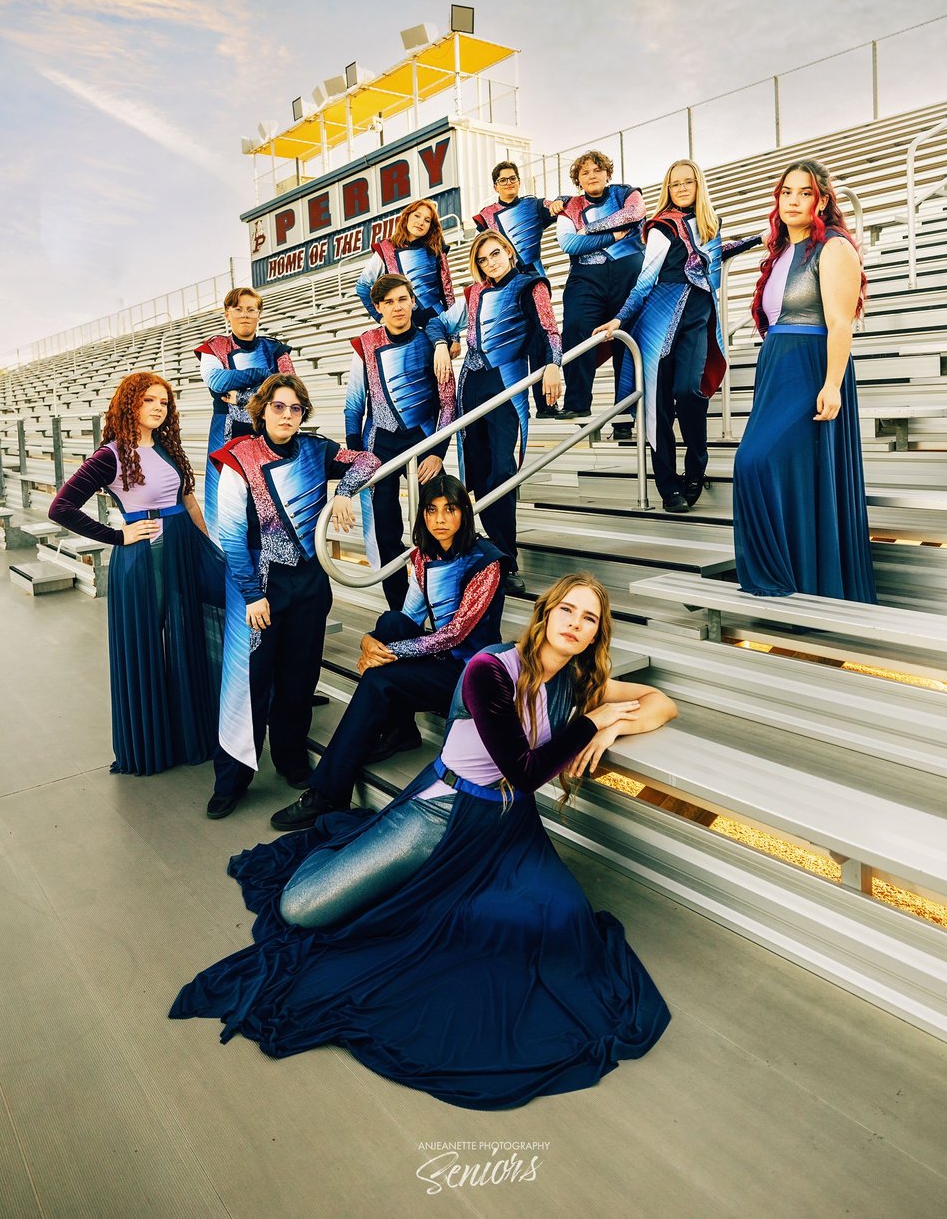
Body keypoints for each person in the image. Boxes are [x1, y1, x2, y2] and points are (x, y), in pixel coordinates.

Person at [170, 573, 675, 1109]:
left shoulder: (577, 680)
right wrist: (589, 722)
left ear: (598, 634)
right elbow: (524, 771)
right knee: (300, 909)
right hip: (441, 814)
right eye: (568, 611)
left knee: (567, 926)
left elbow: (661, 701)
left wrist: (609, 729)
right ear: (546, 614)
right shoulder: (491, 670)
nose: (576, 624)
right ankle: (353, 858)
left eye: (589, 619)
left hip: (506, 832)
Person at [268, 473, 506, 830]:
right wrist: (370, 640)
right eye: (431, 510)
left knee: (380, 677)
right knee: (393, 621)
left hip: (473, 672)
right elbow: (410, 616)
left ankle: (328, 792)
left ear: (464, 514)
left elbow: (455, 635)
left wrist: (388, 654)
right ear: (423, 515)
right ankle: (401, 731)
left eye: (450, 510)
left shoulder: (486, 561)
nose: (440, 519)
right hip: (442, 659)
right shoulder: (423, 556)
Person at [206, 374, 380, 820]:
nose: (286, 416)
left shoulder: (316, 449)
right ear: (261, 410)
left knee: (300, 678)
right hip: (262, 587)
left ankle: (291, 759)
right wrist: (250, 595)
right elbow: (229, 534)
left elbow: (367, 460)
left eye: (295, 409)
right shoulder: (237, 458)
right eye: (278, 407)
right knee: (251, 685)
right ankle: (233, 779)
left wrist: (343, 491)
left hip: (309, 584)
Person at [49, 372, 224, 776]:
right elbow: (60, 508)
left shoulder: (167, 447)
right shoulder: (110, 454)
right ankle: (151, 747)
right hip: (144, 558)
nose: (159, 407)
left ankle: (189, 735)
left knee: (186, 641)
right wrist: (117, 535)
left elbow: (190, 503)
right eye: (149, 400)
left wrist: (206, 546)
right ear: (131, 404)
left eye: (164, 401)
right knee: (147, 650)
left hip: (183, 551)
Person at [733, 160, 877, 602]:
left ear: (824, 200)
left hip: (811, 365)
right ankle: (793, 579)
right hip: (775, 364)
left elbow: (840, 323)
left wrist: (832, 383)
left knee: (754, 463)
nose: (793, 200)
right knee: (783, 469)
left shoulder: (834, 248)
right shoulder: (778, 253)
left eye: (805, 193)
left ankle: (785, 575)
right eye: (786, 192)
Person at [595, 160, 762, 512]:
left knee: (690, 391)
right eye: (675, 184)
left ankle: (695, 469)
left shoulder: (710, 225)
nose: (682, 189)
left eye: (688, 182)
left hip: (698, 317)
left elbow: (711, 257)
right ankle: (667, 486)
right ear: (668, 190)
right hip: (658, 319)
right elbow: (645, 280)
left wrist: (757, 239)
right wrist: (620, 318)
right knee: (657, 407)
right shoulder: (661, 227)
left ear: (699, 185)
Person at [429, 231, 562, 595]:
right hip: (471, 386)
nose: (491, 262)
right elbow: (437, 323)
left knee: (503, 472)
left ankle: (507, 557)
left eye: (495, 254)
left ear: (509, 251)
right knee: (480, 472)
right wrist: (442, 344)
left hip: (509, 387)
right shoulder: (473, 293)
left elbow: (549, 330)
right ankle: (492, 555)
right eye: (483, 259)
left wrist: (553, 365)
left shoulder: (531, 285)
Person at [345, 272, 456, 610]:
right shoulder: (365, 344)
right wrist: (357, 457)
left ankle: (442, 600)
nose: (397, 307)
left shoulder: (430, 341)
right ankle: (399, 609)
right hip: (379, 445)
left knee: (440, 523)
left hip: (424, 442)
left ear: (412, 301)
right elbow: (354, 405)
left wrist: (437, 453)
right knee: (385, 531)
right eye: (389, 302)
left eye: (403, 299)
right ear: (378, 307)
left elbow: (448, 401)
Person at [548, 149, 646, 424]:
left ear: (607, 173)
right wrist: (614, 234)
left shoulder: (626, 192)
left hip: (628, 275)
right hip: (586, 278)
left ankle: (625, 415)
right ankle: (578, 402)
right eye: (584, 173)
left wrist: (590, 229)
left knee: (626, 340)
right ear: (578, 179)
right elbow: (569, 244)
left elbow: (636, 212)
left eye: (596, 170)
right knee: (577, 329)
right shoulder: (571, 206)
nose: (591, 176)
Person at [195, 287, 294, 537]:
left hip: (268, 434)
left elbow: (291, 386)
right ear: (227, 314)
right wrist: (264, 375)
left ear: (259, 314)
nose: (245, 315)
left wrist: (241, 397)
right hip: (225, 432)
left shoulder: (275, 348)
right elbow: (217, 382)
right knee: (225, 504)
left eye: (251, 309)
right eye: (238, 309)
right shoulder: (213, 347)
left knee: (270, 502)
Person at [472, 159, 559, 414]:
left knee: (540, 339)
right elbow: (483, 247)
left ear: (519, 181)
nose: (508, 183)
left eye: (512, 178)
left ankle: (546, 403)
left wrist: (558, 201)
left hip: (530, 279)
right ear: (495, 185)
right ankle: (512, 402)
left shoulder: (533, 204)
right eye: (503, 180)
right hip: (502, 285)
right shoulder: (486, 216)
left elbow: (558, 204)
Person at [355, 197, 458, 337]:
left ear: (431, 226)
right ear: (406, 217)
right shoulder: (386, 249)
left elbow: (448, 294)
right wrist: (380, 317)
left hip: (437, 324)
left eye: (427, 220)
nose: (421, 222)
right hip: (403, 327)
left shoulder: (436, 250)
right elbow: (362, 286)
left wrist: (454, 335)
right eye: (417, 215)